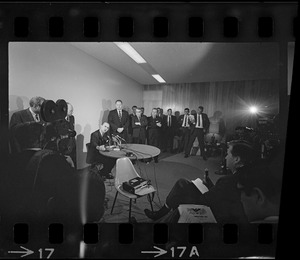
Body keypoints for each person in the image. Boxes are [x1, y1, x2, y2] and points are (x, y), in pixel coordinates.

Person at [144, 140, 258, 223]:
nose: (225, 157)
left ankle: (162, 218)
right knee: (182, 182)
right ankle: (160, 213)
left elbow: (205, 200)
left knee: (178, 196)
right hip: (218, 203)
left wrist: (182, 196)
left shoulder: (228, 180)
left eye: (228, 154)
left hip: (213, 212)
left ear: (237, 159)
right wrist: (209, 184)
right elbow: (221, 194)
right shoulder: (247, 174)